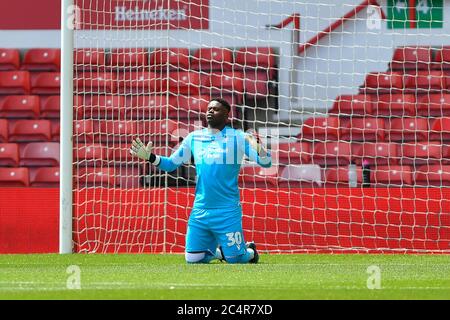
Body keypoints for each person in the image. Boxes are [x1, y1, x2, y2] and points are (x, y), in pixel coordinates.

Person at [130, 98, 272, 264]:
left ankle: (251, 252)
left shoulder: (239, 137)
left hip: (227, 210)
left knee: (237, 259)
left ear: (227, 116)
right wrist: (150, 157)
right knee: (193, 258)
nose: (211, 111)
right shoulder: (194, 138)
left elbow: (266, 163)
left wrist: (259, 147)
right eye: (209, 108)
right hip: (200, 209)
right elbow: (170, 165)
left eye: (216, 109)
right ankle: (218, 253)